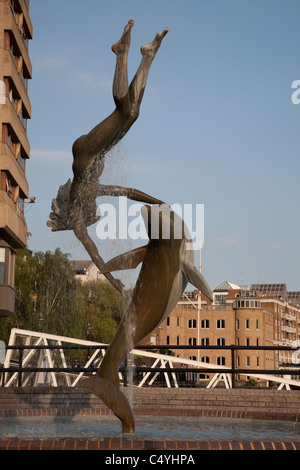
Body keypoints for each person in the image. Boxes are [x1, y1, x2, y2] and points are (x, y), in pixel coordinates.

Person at [47, 20, 169, 293]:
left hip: (85, 153)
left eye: (92, 217)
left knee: (122, 113)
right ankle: (147, 57)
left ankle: (120, 54)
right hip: (95, 152)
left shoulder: (79, 208)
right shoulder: (95, 191)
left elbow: (93, 253)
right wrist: (159, 201)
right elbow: (129, 191)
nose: (95, 215)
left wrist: (112, 279)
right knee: (132, 114)